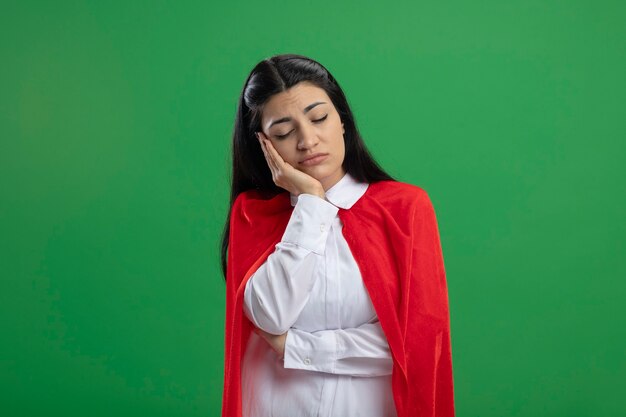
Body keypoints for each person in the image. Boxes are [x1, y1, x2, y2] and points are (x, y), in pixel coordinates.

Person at [220, 53, 455, 417]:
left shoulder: (404, 208)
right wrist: (311, 203)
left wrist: (295, 347)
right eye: (283, 132)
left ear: (342, 120)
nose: (307, 140)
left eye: (318, 118)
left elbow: (415, 346)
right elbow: (269, 316)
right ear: (263, 144)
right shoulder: (254, 214)